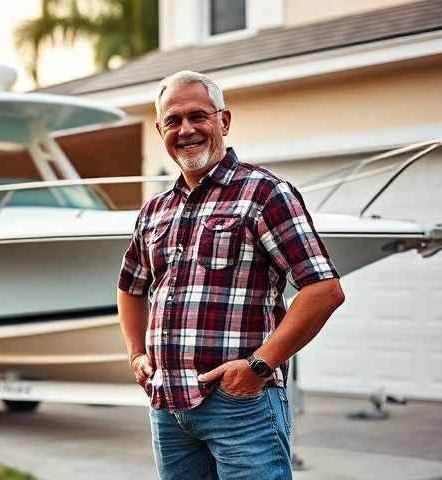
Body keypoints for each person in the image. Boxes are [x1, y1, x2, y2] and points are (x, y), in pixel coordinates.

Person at [117, 71, 346, 480]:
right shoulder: (155, 211)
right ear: (160, 130)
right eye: (173, 121)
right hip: (169, 409)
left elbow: (324, 290)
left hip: (241, 406)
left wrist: (258, 367)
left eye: (198, 116)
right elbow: (130, 288)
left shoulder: (264, 193)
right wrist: (137, 354)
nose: (186, 129)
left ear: (224, 121)